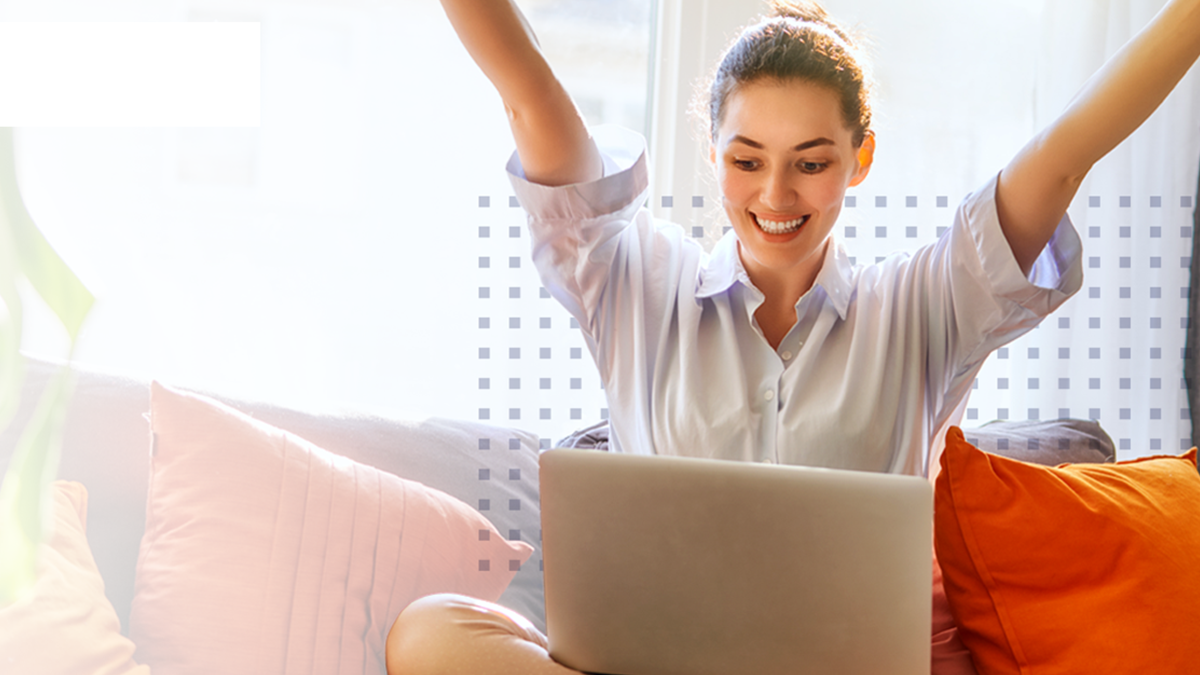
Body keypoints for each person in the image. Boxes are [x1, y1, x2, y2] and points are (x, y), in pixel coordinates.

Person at [386, 1, 1200, 673]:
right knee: (432, 631)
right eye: (747, 159)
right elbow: (526, 86)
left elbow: (1063, 158)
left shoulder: (923, 303)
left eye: (811, 162)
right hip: (661, 659)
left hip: (855, 665)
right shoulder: (633, 282)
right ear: (713, 155)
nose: (775, 193)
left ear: (860, 159)